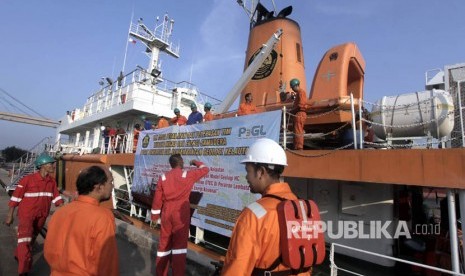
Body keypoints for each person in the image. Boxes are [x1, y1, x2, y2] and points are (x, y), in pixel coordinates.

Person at [222, 138, 310, 275]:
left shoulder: (252, 216)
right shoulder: (302, 207)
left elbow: (237, 269)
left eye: (248, 171)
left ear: (261, 172)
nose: (246, 177)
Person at [44, 166, 119, 276]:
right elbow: (106, 263)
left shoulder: (60, 212)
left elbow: (49, 250)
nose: (112, 186)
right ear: (99, 187)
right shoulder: (102, 217)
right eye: (111, 182)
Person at [4, 153, 64, 275]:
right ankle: (24, 270)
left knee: (31, 240)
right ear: (42, 165)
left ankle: (18, 255)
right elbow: (15, 198)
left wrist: (67, 211)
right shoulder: (27, 180)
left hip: (42, 216)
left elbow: (57, 199)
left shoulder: (51, 182)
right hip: (27, 216)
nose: (54, 166)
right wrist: (10, 215)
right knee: (25, 240)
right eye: (51, 164)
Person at [151, 154, 209, 276]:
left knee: (163, 245)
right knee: (179, 248)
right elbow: (205, 169)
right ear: (180, 162)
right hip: (181, 214)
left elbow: (157, 199)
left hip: (167, 212)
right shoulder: (187, 175)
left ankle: (160, 273)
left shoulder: (163, 177)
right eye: (182, 160)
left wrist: (154, 217)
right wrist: (195, 162)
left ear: (171, 164)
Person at [290, 78, 307, 150]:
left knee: (298, 130)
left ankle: (299, 147)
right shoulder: (299, 93)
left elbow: (301, 105)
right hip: (298, 113)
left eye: (292, 87)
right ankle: (297, 146)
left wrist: (292, 111)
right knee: (297, 130)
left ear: (295, 86)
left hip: (299, 113)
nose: (292, 89)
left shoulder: (301, 92)